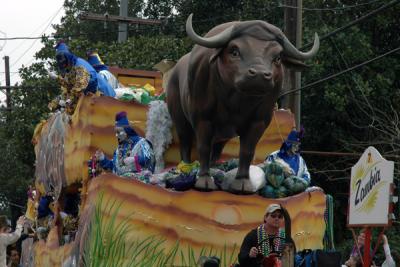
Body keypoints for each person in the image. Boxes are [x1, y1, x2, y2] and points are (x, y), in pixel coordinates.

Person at [96, 111, 156, 179]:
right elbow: (114, 167)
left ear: (126, 131)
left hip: (139, 185)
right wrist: (103, 158)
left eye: (118, 132)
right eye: (116, 133)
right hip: (121, 184)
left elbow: (150, 158)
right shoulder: (119, 150)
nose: (116, 135)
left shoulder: (142, 143)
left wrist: (135, 159)